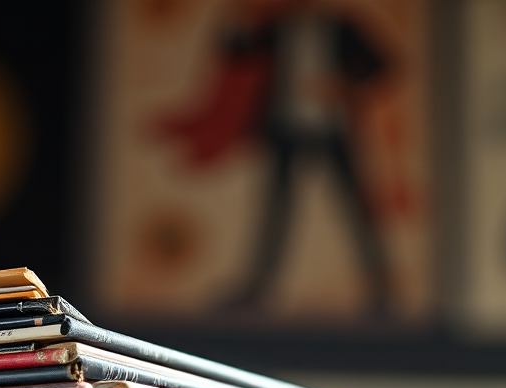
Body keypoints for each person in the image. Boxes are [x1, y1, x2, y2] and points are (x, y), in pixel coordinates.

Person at [153, 0, 393, 312]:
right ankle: (257, 288)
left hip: (332, 128)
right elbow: (237, 50)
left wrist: (344, 84)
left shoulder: (341, 27)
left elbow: (383, 63)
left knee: (355, 207)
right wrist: (236, 18)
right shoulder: (278, 27)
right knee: (276, 211)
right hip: (286, 128)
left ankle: (382, 289)